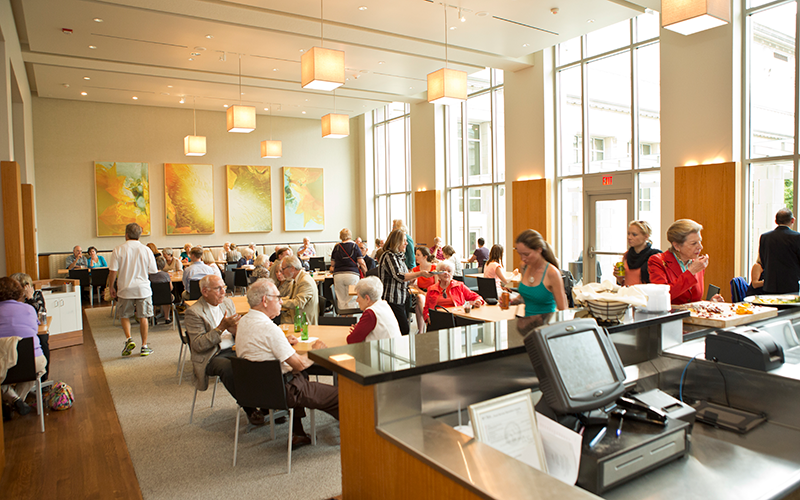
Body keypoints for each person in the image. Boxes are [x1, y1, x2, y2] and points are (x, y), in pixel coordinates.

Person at [235, 279, 339, 446]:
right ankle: (355, 430)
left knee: (300, 376)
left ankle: (298, 432)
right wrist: (315, 350)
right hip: (281, 391)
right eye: (278, 297)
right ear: (265, 300)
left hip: (253, 389)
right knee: (340, 395)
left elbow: (261, 344)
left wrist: (282, 340)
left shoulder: (244, 322)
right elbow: (299, 363)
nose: (281, 301)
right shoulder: (270, 329)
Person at [184, 275, 266, 426]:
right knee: (230, 368)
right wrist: (221, 328)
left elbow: (238, 331)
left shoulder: (227, 304)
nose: (223, 292)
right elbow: (197, 345)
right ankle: (250, 409)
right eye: (218, 289)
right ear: (205, 291)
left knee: (263, 359)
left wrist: (236, 329)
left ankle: (269, 406)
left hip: (235, 348)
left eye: (224, 288)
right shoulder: (194, 312)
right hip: (212, 355)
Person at [107, 223, 157, 357]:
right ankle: (144, 346)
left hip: (125, 288)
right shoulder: (146, 250)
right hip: (143, 289)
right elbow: (153, 271)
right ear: (139, 235)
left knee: (124, 315)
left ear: (126, 234)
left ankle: (129, 338)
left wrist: (111, 286)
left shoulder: (118, 249)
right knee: (143, 317)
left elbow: (112, 271)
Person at [0, 277, 47, 416]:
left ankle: (12, 401)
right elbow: (35, 330)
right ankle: (17, 401)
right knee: (38, 370)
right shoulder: (29, 309)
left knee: (3, 375)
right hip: (31, 361)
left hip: (4, 362)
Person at [648, 219, 724, 304]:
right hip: (671, 316)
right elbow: (661, 297)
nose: (700, 247)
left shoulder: (697, 263)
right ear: (676, 246)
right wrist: (691, 272)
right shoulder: (658, 261)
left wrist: (709, 303)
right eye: (694, 243)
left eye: (700, 241)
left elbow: (692, 300)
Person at [378, 229, 432, 336]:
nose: (407, 243)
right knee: (403, 329)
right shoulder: (389, 256)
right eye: (404, 241)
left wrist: (411, 280)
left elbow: (404, 277)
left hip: (401, 298)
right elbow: (400, 276)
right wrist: (419, 273)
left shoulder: (399, 256)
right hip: (392, 299)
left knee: (402, 328)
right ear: (397, 242)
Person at [509, 230, 568, 319]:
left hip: (546, 327)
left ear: (539, 250)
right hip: (528, 325)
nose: (523, 258)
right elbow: (528, 296)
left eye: (526, 254)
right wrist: (513, 301)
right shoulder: (524, 266)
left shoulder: (552, 273)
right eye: (520, 254)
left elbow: (563, 309)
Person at [347, 277, 401, 344]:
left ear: (367, 298)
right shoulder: (384, 305)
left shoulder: (370, 313)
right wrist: (360, 329)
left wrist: (357, 332)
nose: (357, 300)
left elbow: (351, 340)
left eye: (358, 297)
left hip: (385, 352)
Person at [758, 208, 800, 294]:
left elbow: (762, 260)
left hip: (769, 285)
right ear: (792, 220)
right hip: (790, 285)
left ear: (776, 221)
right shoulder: (797, 237)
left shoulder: (765, 237)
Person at [613, 221, 661, 286]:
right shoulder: (627, 255)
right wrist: (619, 277)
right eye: (628, 234)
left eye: (634, 235)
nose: (629, 237)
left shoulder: (654, 256)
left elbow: (658, 283)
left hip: (644, 294)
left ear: (646, 237)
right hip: (627, 293)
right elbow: (623, 282)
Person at [331, 228, 367, 310]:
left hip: (338, 275)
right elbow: (361, 262)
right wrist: (366, 273)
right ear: (350, 236)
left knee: (341, 299)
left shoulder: (336, 247)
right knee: (351, 299)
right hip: (352, 275)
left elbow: (332, 264)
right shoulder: (355, 246)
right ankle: (351, 320)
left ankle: (343, 319)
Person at [279, 256, 319, 325]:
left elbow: (298, 303)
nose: (282, 272)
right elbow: (291, 298)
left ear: (292, 268)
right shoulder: (298, 278)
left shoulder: (305, 282)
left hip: (303, 322)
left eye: (283, 269)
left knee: (273, 321)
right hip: (296, 316)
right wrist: (277, 300)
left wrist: (279, 302)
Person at [411, 246, 437, 333]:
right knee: (419, 298)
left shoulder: (434, 268)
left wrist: (428, 293)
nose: (415, 257)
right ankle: (427, 322)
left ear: (425, 257)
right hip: (421, 293)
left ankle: (421, 330)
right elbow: (413, 285)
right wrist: (422, 292)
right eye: (415, 254)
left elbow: (437, 284)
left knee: (418, 306)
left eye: (418, 255)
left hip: (433, 293)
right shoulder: (415, 270)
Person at [149, 256, 173, 324]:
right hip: (165, 298)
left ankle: (153, 317)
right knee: (167, 297)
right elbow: (170, 288)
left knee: (152, 299)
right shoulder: (166, 275)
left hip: (153, 297)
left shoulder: (150, 275)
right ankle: (167, 317)